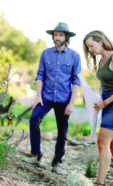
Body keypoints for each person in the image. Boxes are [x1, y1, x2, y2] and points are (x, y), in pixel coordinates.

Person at [23, 22, 82, 174]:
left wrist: (71, 103)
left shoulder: (75, 56)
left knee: (63, 132)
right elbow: (40, 75)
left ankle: (57, 163)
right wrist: (38, 96)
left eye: (60, 35)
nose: (57, 37)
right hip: (46, 96)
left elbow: (76, 81)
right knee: (34, 118)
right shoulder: (45, 53)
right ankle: (36, 155)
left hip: (64, 99)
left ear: (66, 37)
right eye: (55, 35)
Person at [83, 30, 113, 186]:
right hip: (108, 102)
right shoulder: (102, 60)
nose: (90, 50)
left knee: (102, 141)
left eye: (91, 45)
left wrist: (105, 102)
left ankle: (99, 183)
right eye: (88, 47)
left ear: (101, 41)